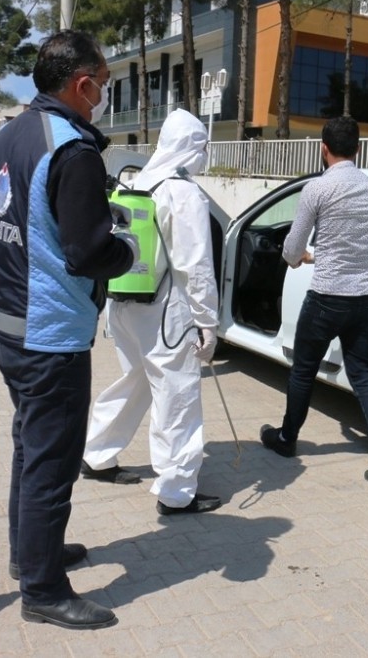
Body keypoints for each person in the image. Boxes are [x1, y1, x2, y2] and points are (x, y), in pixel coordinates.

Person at [0, 30, 136, 631]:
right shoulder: (73, 150)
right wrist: (124, 247)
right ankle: (44, 590)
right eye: (101, 82)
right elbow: (86, 253)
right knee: (51, 462)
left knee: (30, 447)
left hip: (9, 323)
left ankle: (31, 555)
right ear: (82, 83)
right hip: (51, 336)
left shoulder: (12, 134)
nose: (102, 94)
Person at [81, 108, 222, 516]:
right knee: (178, 395)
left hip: (124, 305)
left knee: (137, 380)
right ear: (192, 147)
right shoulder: (182, 191)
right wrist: (207, 323)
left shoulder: (137, 181)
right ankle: (177, 492)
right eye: (203, 146)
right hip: (166, 314)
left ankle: (97, 454)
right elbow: (195, 265)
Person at [259, 116, 368, 485]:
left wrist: (300, 257)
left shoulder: (317, 189)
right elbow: (355, 243)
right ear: (358, 148)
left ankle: (287, 438)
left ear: (323, 148)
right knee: (361, 374)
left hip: (327, 296)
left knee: (304, 369)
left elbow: (292, 247)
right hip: (365, 296)